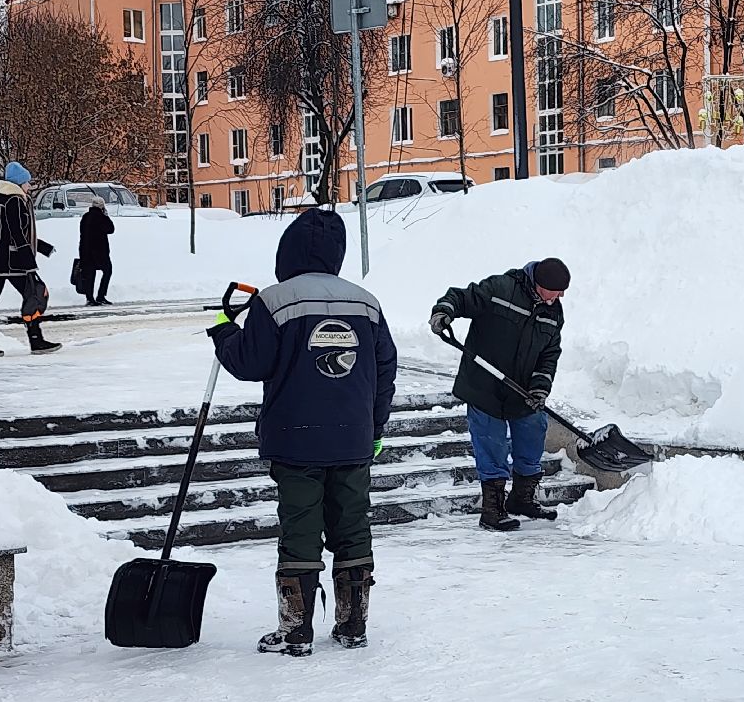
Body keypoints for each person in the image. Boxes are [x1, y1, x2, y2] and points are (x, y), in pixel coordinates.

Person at [208, 209, 397, 657]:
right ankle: (354, 626)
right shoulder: (365, 303)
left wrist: (222, 331)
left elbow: (249, 363)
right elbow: (385, 370)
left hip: (294, 440)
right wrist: (374, 428)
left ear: (287, 251)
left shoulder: (273, 301)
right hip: (352, 439)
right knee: (353, 527)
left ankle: (295, 632)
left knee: (300, 530)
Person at [430, 258, 568, 531]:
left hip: (523, 391)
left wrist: (539, 388)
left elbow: (549, 355)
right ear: (540, 285)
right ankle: (492, 510)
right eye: (557, 290)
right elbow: (461, 297)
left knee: (532, 435)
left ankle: (521, 498)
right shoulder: (501, 288)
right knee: (491, 444)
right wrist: (444, 311)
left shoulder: (553, 313)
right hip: (485, 386)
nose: (561, 296)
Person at [0, 162, 60, 356]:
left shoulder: (2, 199)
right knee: (34, 296)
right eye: (27, 183)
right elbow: (16, 233)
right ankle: (36, 341)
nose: (29, 186)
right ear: (19, 183)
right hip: (10, 260)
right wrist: (29, 261)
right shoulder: (14, 200)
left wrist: (41, 247)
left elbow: (12, 231)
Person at [77, 195, 115, 305]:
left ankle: (90, 298)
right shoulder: (102, 217)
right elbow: (111, 229)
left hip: (86, 250)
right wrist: (106, 216)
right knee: (107, 271)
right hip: (100, 251)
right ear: (102, 206)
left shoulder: (85, 217)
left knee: (90, 275)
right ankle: (101, 295)